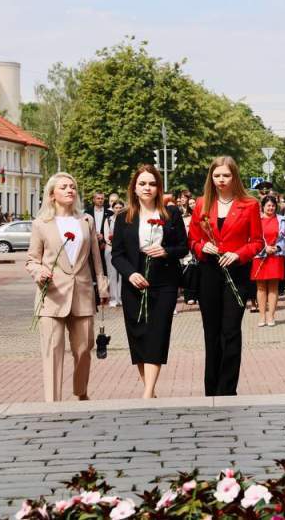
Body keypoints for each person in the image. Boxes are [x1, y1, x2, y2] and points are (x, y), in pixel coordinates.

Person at [25, 172, 109, 402]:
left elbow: (96, 258)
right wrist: (39, 272)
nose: (70, 190)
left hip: (82, 293)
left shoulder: (86, 221)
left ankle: (80, 391)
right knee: (52, 351)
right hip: (52, 295)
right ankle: (52, 402)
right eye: (63, 187)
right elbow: (32, 259)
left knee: (84, 348)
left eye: (72, 186)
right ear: (52, 194)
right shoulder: (41, 224)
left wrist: (102, 284)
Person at [111, 165, 188, 399]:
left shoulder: (171, 214)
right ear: (134, 188)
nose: (147, 188)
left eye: (152, 184)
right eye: (142, 183)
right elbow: (117, 255)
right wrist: (130, 274)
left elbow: (183, 247)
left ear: (158, 188)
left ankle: (146, 394)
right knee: (138, 336)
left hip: (164, 282)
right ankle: (150, 391)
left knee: (157, 333)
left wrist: (166, 251)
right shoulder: (123, 217)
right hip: (134, 282)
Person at [188, 156, 263, 396]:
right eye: (217, 175)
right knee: (211, 332)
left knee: (230, 331)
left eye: (226, 175)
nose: (221, 180)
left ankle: (227, 389)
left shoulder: (249, 204)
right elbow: (192, 239)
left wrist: (238, 254)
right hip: (209, 271)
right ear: (211, 177)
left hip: (236, 273)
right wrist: (202, 247)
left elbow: (258, 242)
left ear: (234, 177)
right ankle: (211, 390)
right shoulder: (202, 203)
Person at [251, 195, 285, 327]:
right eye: (268, 205)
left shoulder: (281, 219)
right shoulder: (256, 220)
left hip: (276, 256)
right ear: (263, 206)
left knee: (273, 287)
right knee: (260, 287)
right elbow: (252, 237)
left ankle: (271, 316)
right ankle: (262, 316)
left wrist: (277, 247)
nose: (271, 208)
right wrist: (264, 248)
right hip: (260, 256)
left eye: (273, 206)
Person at [105, 198, 126, 307]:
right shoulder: (108, 220)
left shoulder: (126, 219)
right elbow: (106, 236)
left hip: (123, 250)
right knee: (112, 274)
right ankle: (113, 298)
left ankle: (121, 298)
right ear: (112, 208)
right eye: (116, 207)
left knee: (122, 275)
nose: (118, 209)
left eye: (120, 207)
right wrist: (113, 243)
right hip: (110, 249)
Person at [85, 191, 112, 270]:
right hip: (90, 242)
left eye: (102, 198)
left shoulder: (110, 213)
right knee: (92, 265)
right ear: (94, 199)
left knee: (105, 265)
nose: (100, 200)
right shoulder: (87, 212)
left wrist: (104, 237)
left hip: (105, 244)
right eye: (98, 198)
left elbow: (112, 229)